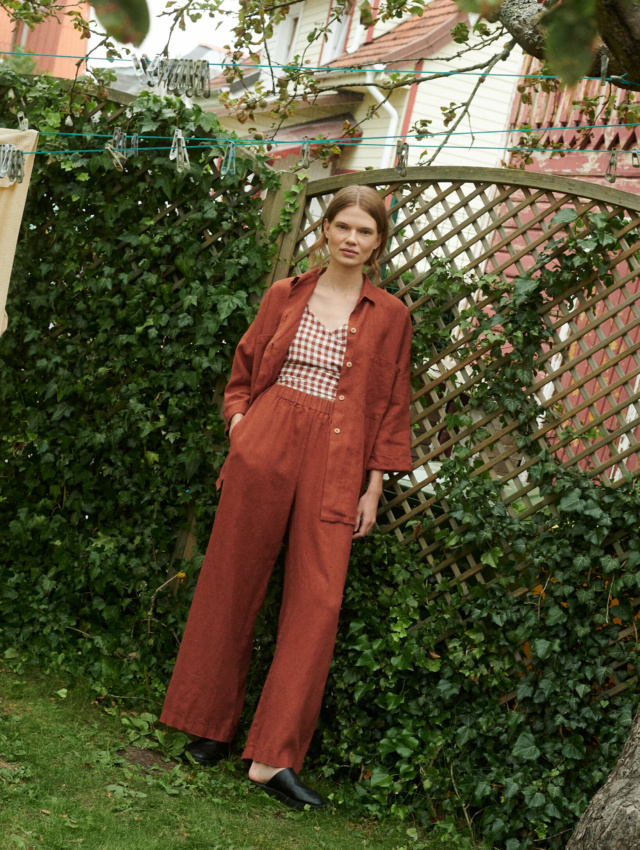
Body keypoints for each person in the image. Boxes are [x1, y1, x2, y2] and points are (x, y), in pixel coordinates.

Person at [160, 185, 413, 810]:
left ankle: (272, 758)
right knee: (231, 579)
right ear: (324, 230)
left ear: (378, 243)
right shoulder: (286, 294)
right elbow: (244, 370)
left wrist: (375, 484)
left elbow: (392, 403)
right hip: (268, 439)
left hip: (337, 455)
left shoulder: (390, 314)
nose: (352, 240)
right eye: (343, 227)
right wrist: (241, 427)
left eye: (366, 232)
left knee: (318, 601)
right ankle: (210, 726)